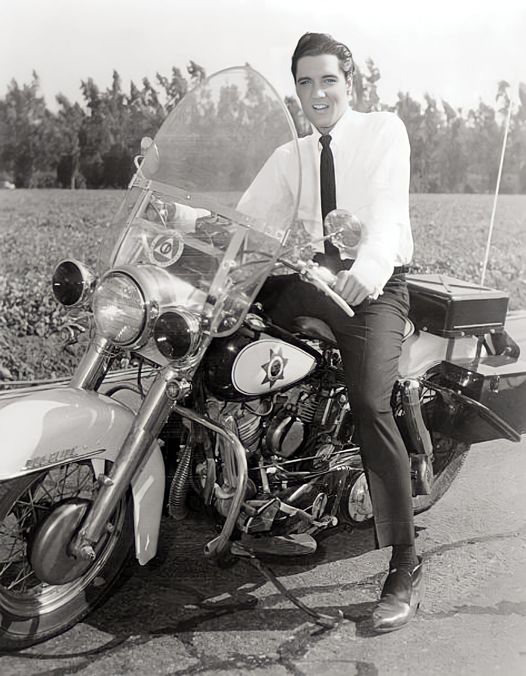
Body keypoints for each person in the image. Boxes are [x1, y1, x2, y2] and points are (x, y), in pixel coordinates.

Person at [248, 32, 424, 633]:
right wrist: (183, 221)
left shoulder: (383, 132)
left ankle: (404, 562)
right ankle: (261, 488)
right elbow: (246, 221)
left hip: (376, 285)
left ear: (350, 84)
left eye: (328, 80)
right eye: (304, 82)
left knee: (371, 401)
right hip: (315, 277)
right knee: (228, 340)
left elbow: (386, 212)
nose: (316, 93)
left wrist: (367, 273)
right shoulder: (289, 155)